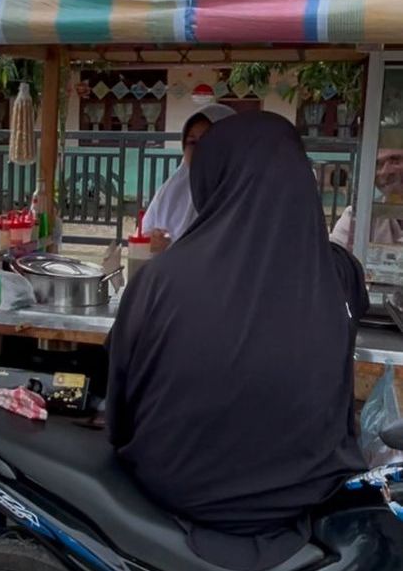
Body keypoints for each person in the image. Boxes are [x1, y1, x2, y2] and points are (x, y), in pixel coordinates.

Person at [106, 112, 368, 571]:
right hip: (304, 495)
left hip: (171, 489)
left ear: (212, 181)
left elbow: (120, 405)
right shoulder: (340, 274)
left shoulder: (160, 279)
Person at [142, 103, 236, 253]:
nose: (200, 150)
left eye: (209, 142)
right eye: (192, 142)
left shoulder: (245, 193)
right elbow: (144, 236)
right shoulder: (172, 191)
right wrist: (152, 242)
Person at [330, 148, 403, 250]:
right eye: (378, 164)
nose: (384, 172)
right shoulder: (357, 216)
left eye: (395, 160)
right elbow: (333, 258)